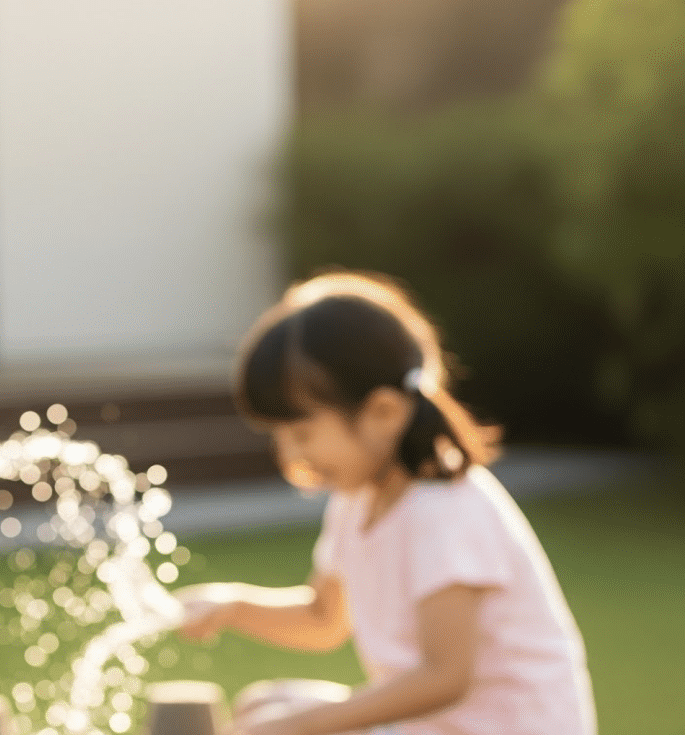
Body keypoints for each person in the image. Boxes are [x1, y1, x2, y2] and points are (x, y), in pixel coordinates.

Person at [175, 272, 594, 735]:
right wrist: (233, 606)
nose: (290, 455)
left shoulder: (443, 510)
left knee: (282, 720)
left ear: (383, 413)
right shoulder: (358, 500)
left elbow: (445, 678)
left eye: (301, 433)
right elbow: (324, 618)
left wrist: (303, 725)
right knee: (264, 706)